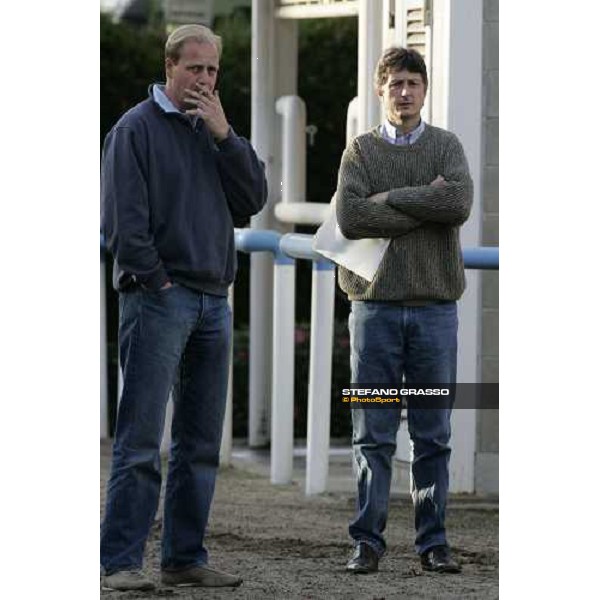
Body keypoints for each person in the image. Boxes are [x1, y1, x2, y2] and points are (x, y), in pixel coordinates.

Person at [100, 24, 267, 591]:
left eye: (212, 70)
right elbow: (124, 224)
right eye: (193, 68)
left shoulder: (214, 131)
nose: (203, 79)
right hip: (158, 301)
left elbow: (252, 201)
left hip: (214, 303)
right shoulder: (134, 130)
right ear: (169, 66)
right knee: (142, 438)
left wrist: (225, 135)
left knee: (199, 443)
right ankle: (121, 563)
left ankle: (183, 558)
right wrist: (159, 283)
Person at [336, 47, 473, 575]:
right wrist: (422, 200)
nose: (405, 91)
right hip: (373, 311)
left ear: (425, 88)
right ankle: (366, 543)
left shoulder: (447, 147)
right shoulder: (359, 153)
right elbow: (350, 217)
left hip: (435, 311)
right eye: (395, 82)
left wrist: (387, 200)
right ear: (380, 89)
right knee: (371, 433)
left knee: (432, 434)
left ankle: (433, 543)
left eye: (414, 82)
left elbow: (457, 204)